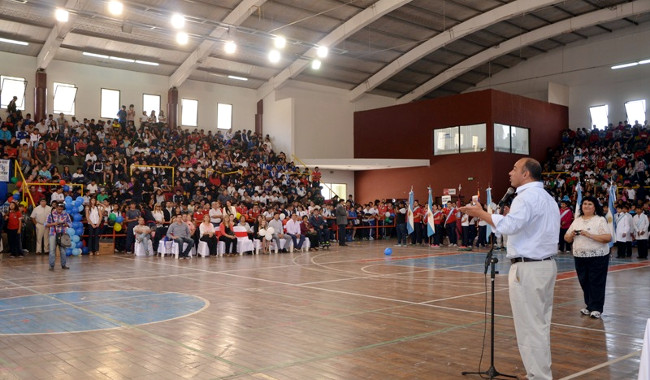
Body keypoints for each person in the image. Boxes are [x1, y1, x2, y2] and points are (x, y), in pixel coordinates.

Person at [460, 158, 560, 380]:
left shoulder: (526, 197)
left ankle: (539, 376)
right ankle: (537, 372)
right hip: (544, 265)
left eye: (514, 169)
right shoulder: (546, 198)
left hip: (529, 268)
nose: (509, 172)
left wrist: (481, 214)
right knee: (539, 325)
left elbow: (510, 226)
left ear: (525, 174)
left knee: (529, 327)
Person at [563, 196, 612, 319]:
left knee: (596, 281)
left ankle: (597, 308)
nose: (587, 206)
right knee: (584, 281)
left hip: (598, 256)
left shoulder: (600, 220)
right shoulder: (577, 220)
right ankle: (589, 305)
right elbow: (566, 238)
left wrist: (589, 235)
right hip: (579, 256)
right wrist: (572, 235)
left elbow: (607, 238)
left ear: (595, 207)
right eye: (585, 203)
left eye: (590, 204)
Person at [46, 202, 72, 270]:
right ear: (56, 208)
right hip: (53, 234)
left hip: (63, 234)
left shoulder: (66, 214)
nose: (60, 211)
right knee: (52, 250)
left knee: (63, 251)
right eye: (59, 209)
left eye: (61, 209)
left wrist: (66, 224)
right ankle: (51, 266)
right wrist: (54, 223)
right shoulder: (51, 214)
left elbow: (70, 223)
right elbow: (46, 224)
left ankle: (63, 265)